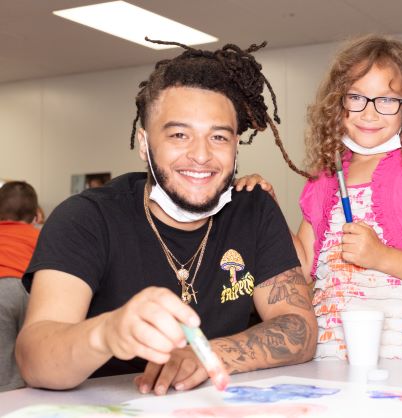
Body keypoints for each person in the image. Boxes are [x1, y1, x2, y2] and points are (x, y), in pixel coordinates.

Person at [15, 39, 317, 394]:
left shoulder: (254, 208)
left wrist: (206, 355)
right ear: (144, 144)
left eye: (218, 137)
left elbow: (300, 327)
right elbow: (34, 360)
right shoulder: (86, 217)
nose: (201, 155)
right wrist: (107, 333)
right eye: (178, 134)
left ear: (236, 145)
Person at [236, 34, 402, 361]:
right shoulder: (322, 179)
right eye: (356, 97)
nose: (370, 113)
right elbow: (301, 269)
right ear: (338, 102)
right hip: (327, 349)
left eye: (387, 100)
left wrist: (379, 256)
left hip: (397, 351)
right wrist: (268, 207)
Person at [0, 181, 40, 391]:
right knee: (32, 350)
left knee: (3, 361)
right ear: (35, 217)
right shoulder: (41, 235)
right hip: (30, 290)